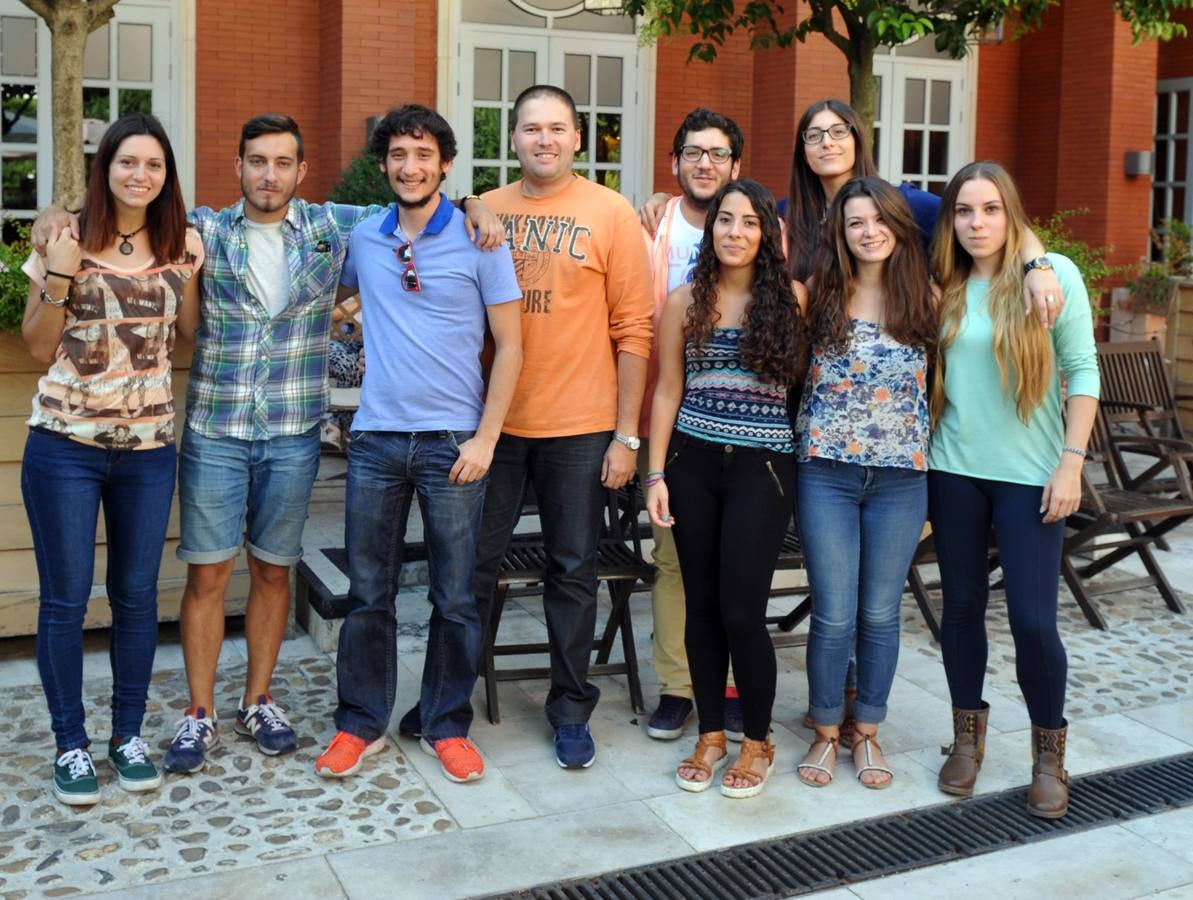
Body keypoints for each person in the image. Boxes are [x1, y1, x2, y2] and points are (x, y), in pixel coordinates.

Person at [32, 113, 505, 774]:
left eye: (283, 162)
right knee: (208, 573)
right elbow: (114, 210)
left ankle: (258, 699)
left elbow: (415, 194)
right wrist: (54, 212)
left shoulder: (331, 228)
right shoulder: (201, 231)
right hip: (215, 430)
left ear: (300, 171)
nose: (269, 174)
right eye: (257, 161)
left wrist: (473, 202)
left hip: (291, 431)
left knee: (274, 570)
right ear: (239, 166)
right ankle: (200, 714)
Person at [314, 105, 523, 783]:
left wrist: (487, 439)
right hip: (375, 440)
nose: (410, 166)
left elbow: (513, 346)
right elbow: (282, 216)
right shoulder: (363, 234)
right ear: (384, 164)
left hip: (452, 442)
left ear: (445, 164)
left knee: (456, 595)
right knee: (368, 592)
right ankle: (360, 723)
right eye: (399, 154)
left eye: (424, 154)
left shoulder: (481, 240)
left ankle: (443, 723)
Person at [20, 112, 202, 805]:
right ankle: (71, 745)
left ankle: (126, 736)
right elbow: (38, 346)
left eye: (153, 164)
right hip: (64, 449)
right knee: (65, 603)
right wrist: (61, 275)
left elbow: (187, 330)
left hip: (149, 452)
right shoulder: (64, 240)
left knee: (134, 600)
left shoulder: (185, 243)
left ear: (166, 175)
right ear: (106, 167)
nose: (140, 175)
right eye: (128, 162)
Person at [471, 85, 654, 769]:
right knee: (474, 566)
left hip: (580, 426)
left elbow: (634, 331)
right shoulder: (485, 209)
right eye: (529, 129)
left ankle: (571, 709)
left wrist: (626, 435)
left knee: (572, 570)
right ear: (511, 137)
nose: (543, 140)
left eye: (556, 129)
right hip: (494, 425)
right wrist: (467, 204)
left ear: (578, 139)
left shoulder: (609, 214)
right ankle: (451, 698)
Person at [929, 161, 1099, 819]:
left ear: (1012, 214)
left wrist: (1070, 463)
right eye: (964, 210)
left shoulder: (1050, 278)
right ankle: (966, 739)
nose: (977, 223)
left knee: (1031, 619)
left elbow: (1082, 372)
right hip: (953, 471)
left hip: (1030, 475)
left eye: (991, 209)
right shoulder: (939, 282)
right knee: (962, 608)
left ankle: (1048, 756)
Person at [646, 179, 808, 798]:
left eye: (748, 222)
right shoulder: (686, 300)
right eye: (724, 221)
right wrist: (656, 473)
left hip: (762, 470)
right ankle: (710, 734)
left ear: (767, 233)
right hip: (691, 463)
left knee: (742, 609)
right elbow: (667, 391)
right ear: (710, 230)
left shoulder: (790, 298)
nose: (734, 232)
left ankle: (758, 741)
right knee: (702, 606)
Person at [793, 177, 937, 790]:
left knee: (880, 612)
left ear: (900, 226)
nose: (869, 231)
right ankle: (826, 731)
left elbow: (941, 390)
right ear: (840, 233)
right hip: (825, 472)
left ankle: (868, 732)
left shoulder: (929, 299)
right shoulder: (818, 296)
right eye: (856, 222)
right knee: (832, 613)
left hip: (901, 480)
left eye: (880, 219)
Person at [640, 108, 745, 743]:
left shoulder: (762, 229)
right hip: (668, 420)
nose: (705, 163)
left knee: (735, 563)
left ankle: (727, 683)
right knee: (674, 561)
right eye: (693, 152)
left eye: (718, 153)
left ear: (736, 167)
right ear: (675, 162)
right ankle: (679, 686)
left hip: (741, 425)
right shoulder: (650, 227)